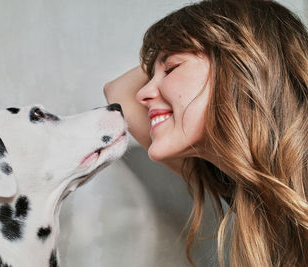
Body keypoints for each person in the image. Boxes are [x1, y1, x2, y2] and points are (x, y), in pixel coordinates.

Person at [103, 0, 308, 266]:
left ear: (238, 67)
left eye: (171, 68)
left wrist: (245, 41)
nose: (143, 93)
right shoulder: (243, 183)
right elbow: (117, 93)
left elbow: (120, 93)